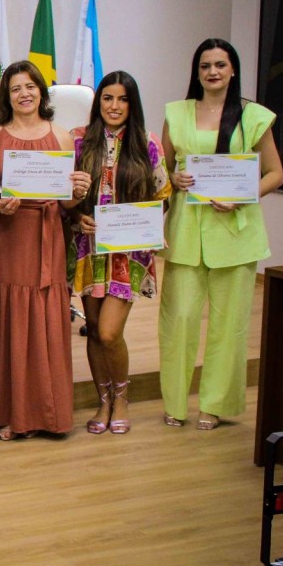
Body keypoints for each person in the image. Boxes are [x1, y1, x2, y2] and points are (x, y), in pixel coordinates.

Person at [159, 39, 283, 429]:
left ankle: (213, 404)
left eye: (220, 65)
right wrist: (174, 179)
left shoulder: (253, 116)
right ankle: (175, 403)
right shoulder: (176, 114)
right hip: (185, 233)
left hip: (235, 234)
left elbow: (275, 174)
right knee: (178, 319)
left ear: (233, 70)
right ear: (196, 72)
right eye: (205, 66)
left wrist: (242, 196)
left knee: (229, 326)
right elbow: (159, 174)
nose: (212, 72)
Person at [0, 62, 86, 439]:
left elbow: (68, 204)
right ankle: (8, 413)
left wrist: (79, 193)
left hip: (45, 235)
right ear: (5, 96)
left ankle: (45, 414)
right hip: (3, 236)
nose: (24, 94)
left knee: (43, 317)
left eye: (30, 86)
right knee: (6, 320)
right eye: (15, 88)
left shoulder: (61, 136)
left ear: (42, 91)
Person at [68, 72, 172, 435]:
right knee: (94, 330)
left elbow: (162, 197)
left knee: (110, 332)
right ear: (98, 102)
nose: (114, 106)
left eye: (123, 99)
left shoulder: (147, 143)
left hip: (128, 254)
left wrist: (146, 227)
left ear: (133, 104)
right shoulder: (79, 141)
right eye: (108, 98)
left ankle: (123, 398)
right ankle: (104, 400)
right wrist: (78, 217)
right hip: (89, 250)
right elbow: (66, 200)